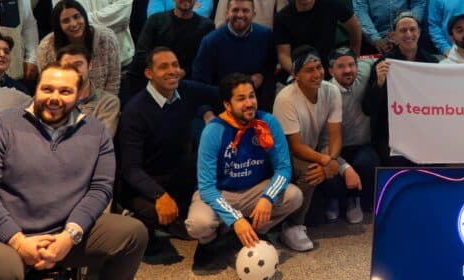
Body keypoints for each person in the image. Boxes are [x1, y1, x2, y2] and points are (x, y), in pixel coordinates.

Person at [0, 62, 148, 280]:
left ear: (79, 94)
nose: (54, 97)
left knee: (132, 234)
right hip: (9, 235)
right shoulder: (3, 124)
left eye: (65, 91)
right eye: (47, 89)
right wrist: (18, 241)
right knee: (2, 275)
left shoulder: (95, 133)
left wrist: (69, 237)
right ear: (36, 88)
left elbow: (100, 189)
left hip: (66, 232)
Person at [186, 72, 303, 268]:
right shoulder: (213, 131)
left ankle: (257, 231)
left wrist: (267, 198)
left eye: (251, 96)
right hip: (221, 192)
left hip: (255, 191)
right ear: (227, 105)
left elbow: (283, 168)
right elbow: (206, 187)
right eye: (241, 99)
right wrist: (235, 219)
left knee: (294, 195)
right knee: (199, 224)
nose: (249, 103)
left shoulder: (268, 122)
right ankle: (210, 243)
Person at [117, 47, 218, 260]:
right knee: (162, 219)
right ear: (149, 74)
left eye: (175, 65)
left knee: (199, 225)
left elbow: (222, 92)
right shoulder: (135, 111)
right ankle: (138, 219)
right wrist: (159, 195)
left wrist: (208, 111)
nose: (172, 71)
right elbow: (130, 168)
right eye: (163, 67)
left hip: (178, 178)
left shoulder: (186, 91)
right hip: (145, 185)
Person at [274, 48, 360, 247]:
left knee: (323, 174)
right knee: (310, 171)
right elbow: (295, 147)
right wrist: (324, 162)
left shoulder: (331, 91)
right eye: (309, 70)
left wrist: (331, 160)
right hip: (286, 154)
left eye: (319, 67)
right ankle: (292, 226)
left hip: (314, 150)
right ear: (296, 75)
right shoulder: (285, 99)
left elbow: (336, 135)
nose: (317, 74)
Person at [362, 11, 439, 161]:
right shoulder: (383, 64)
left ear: (420, 32)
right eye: (403, 31)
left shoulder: (433, 63)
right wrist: (378, 83)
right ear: (394, 36)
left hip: (425, 131)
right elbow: (367, 109)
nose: (408, 34)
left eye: (412, 29)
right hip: (392, 134)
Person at [192, 0, 277, 111]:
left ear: (254, 14)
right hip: (222, 108)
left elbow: (271, 68)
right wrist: (206, 112)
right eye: (235, 10)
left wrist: (262, 74)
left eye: (245, 11)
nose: (240, 15)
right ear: (227, 13)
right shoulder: (211, 41)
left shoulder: (265, 36)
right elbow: (199, 83)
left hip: (257, 106)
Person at [274, 0, 360, 77]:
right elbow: (283, 55)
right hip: (300, 70)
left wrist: (354, 56)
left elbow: (355, 27)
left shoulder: (333, 4)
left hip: (330, 68)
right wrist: (298, 74)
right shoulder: (282, 17)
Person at [328, 47, 379, 219]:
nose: (348, 70)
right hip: (333, 149)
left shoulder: (363, 72)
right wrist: (343, 167)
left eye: (351, 65)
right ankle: (334, 199)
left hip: (361, 145)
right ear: (331, 70)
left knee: (368, 162)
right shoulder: (324, 93)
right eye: (341, 66)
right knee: (329, 172)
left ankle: (355, 199)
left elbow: (379, 60)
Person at [37, 0, 121, 95]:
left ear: (84, 16)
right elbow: (48, 84)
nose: (73, 24)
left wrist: (105, 105)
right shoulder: (46, 47)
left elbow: (113, 82)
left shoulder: (106, 38)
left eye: (77, 17)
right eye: (66, 21)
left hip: (103, 102)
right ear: (58, 25)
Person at [132, 0, 214, 75]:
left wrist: (184, 72)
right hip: (157, 77)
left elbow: (207, 60)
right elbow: (141, 54)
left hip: (190, 80)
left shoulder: (207, 26)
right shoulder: (155, 21)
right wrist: (165, 71)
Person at [58, 44, 120, 137]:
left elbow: (101, 142)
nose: (73, 70)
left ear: (90, 65)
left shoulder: (107, 102)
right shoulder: (46, 99)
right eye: (67, 66)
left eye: (78, 64)